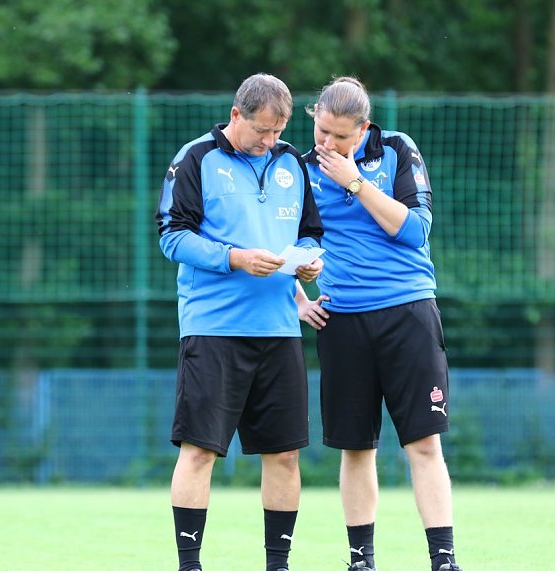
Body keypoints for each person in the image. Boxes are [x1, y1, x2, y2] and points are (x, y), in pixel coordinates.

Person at [156, 73, 324, 571]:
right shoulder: (196, 159)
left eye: (278, 131)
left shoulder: (292, 162)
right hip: (213, 330)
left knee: (286, 456)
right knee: (200, 451)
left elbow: (312, 234)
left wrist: (313, 261)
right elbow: (173, 238)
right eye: (261, 131)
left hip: (278, 331)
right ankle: (190, 564)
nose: (269, 141)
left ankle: (278, 564)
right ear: (236, 115)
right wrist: (234, 258)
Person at [296, 76, 462, 571]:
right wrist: (296, 301)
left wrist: (355, 181)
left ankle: (444, 559)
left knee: (423, 443)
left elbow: (413, 230)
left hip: (408, 312)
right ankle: (361, 561)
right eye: (321, 132)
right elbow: (277, 239)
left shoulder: (396, 149)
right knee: (355, 448)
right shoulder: (299, 170)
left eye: (339, 137)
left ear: (362, 129)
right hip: (342, 320)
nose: (326, 144)